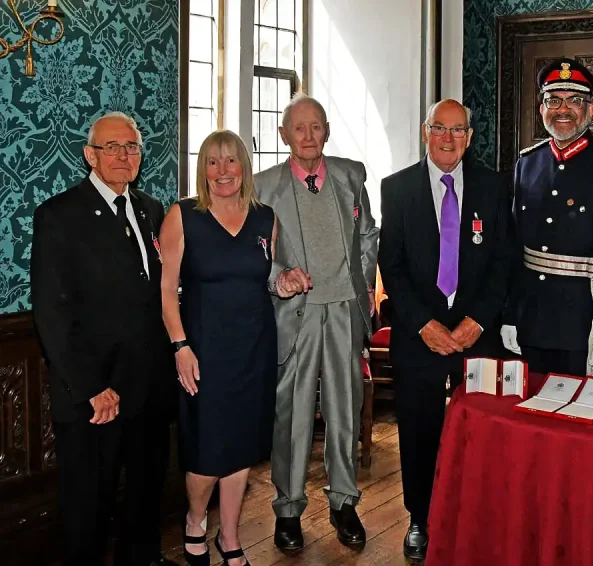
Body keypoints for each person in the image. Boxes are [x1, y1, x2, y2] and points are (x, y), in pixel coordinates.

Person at [31, 112, 176, 565]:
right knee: (88, 507)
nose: (123, 155)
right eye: (111, 147)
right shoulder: (59, 215)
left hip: (148, 388)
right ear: (89, 155)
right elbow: (53, 314)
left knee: (145, 495)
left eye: (131, 147)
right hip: (95, 395)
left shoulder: (154, 211)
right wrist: (92, 387)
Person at [378, 99, 514, 561]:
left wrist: (477, 321)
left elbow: (503, 261)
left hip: (478, 337)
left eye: (459, 131)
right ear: (425, 131)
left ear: (469, 138)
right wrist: (422, 324)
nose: (449, 139)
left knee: (482, 429)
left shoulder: (494, 188)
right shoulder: (396, 189)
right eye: (440, 128)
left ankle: (478, 515)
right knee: (418, 430)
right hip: (421, 337)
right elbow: (390, 266)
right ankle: (420, 519)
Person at [255, 93, 379, 551]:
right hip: (296, 315)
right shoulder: (262, 187)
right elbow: (254, 254)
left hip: (345, 308)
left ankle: (344, 501)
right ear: (283, 134)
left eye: (317, 126)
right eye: (299, 128)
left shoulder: (350, 175)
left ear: (327, 130)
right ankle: (288, 509)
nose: (309, 136)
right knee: (293, 415)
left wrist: (364, 285)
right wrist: (277, 279)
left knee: (346, 409)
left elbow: (367, 234)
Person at [160, 130, 288, 565]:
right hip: (203, 351)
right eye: (212, 162)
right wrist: (180, 345)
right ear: (202, 170)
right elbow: (166, 288)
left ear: (244, 166)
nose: (222, 171)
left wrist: (284, 282)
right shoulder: (182, 216)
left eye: (230, 161)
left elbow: (266, 276)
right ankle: (196, 520)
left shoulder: (265, 218)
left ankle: (229, 538)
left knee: (242, 446)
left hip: (255, 347)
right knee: (206, 447)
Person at [501, 57, 593, 377]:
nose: (562, 109)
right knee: (532, 418)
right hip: (532, 320)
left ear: (591, 111)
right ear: (542, 109)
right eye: (553, 100)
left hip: (586, 325)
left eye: (575, 100)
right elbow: (513, 251)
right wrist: (509, 315)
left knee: (583, 421)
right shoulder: (527, 163)